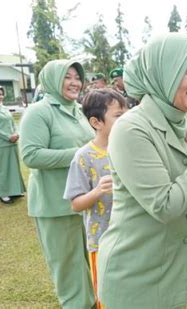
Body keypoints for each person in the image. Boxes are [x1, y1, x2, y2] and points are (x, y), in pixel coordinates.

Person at [97, 33, 187, 308]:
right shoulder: (131, 129)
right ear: (164, 72)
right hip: (134, 274)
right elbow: (165, 205)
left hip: (171, 269)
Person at [19, 59, 96, 308]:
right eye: (67, 76)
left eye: (77, 77)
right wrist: (79, 154)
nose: (75, 82)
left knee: (89, 259)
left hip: (84, 200)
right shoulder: (39, 112)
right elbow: (31, 155)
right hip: (55, 204)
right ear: (52, 79)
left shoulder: (77, 109)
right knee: (68, 265)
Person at [63, 89, 128, 308]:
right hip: (101, 241)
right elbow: (75, 204)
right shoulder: (83, 157)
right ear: (96, 122)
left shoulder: (130, 149)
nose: (126, 118)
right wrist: (98, 190)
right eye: (118, 115)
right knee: (107, 296)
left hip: (131, 237)